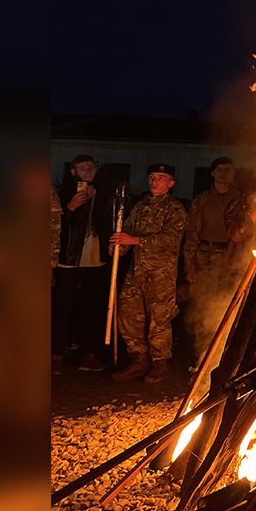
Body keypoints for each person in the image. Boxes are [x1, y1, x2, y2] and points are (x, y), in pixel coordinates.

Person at [111, 164, 187, 383]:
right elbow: (127, 231)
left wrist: (134, 241)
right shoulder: (141, 206)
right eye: (152, 177)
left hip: (160, 273)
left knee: (159, 318)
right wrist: (119, 246)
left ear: (170, 183)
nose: (154, 181)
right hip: (137, 271)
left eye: (160, 178)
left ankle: (160, 362)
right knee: (129, 314)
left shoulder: (175, 209)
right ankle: (138, 360)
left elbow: (170, 240)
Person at [183, 157, 245, 370]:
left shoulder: (241, 201)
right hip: (204, 255)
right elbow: (191, 234)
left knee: (225, 306)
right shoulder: (202, 200)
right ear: (212, 173)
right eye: (220, 170)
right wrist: (189, 265)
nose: (224, 174)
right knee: (203, 306)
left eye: (228, 170)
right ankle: (202, 358)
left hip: (229, 257)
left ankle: (221, 358)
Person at [54, 154, 114, 373]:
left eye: (91, 168)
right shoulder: (62, 195)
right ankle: (56, 353)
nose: (87, 171)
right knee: (62, 305)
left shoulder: (104, 194)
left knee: (94, 305)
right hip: (69, 256)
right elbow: (56, 225)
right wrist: (70, 207)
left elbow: (109, 220)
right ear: (73, 172)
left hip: (95, 255)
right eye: (82, 168)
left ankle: (89, 352)